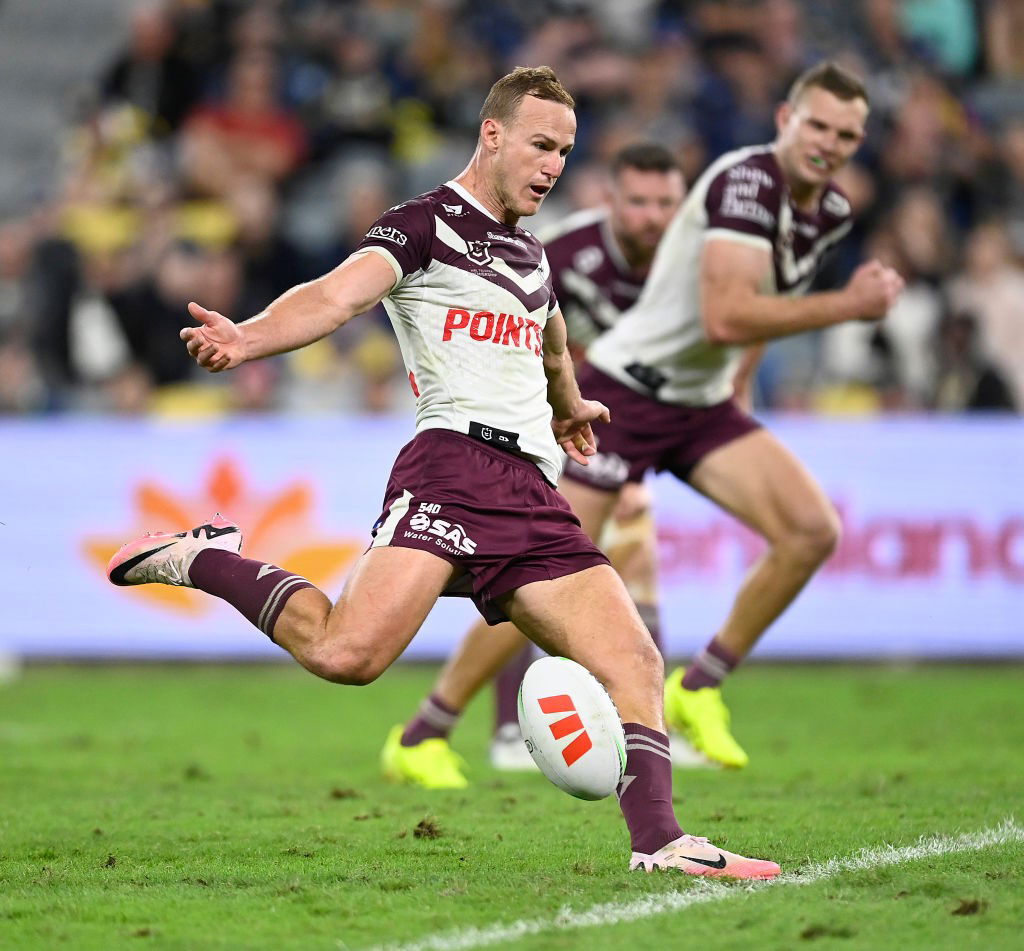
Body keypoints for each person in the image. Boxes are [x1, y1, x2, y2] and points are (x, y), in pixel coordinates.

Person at [106, 66, 779, 879]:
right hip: (451, 469)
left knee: (634, 659)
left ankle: (661, 842)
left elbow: (554, 339)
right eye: (539, 145)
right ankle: (204, 554)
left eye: (564, 151)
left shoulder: (531, 255)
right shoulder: (423, 225)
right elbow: (336, 296)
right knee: (346, 655)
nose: (552, 164)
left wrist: (568, 409)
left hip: (532, 492)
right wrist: (247, 336)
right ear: (491, 134)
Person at [383, 60, 904, 777]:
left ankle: (700, 686)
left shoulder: (830, 213)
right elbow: (727, 311)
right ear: (785, 120)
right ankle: (424, 732)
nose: (829, 142)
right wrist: (850, 304)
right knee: (539, 572)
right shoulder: (746, 183)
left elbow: (758, 310)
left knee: (812, 529)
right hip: (623, 395)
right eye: (816, 123)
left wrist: (740, 388)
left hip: (701, 402)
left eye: (848, 133)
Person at [382, 143, 688, 781]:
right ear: (610, 198)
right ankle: (447, 727)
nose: (652, 216)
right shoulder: (567, 252)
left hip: (618, 435)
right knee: (537, 581)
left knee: (615, 572)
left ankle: (454, 729)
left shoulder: (689, 265)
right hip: (558, 433)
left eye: (665, 203)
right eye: (638, 200)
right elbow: (539, 344)